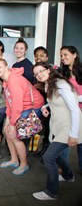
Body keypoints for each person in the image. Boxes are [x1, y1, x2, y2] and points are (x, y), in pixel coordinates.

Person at [32, 62, 82, 200]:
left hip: (70, 126)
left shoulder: (61, 84)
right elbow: (57, 101)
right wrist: (45, 106)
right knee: (55, 153)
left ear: (48, 70)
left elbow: (74, 109)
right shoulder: (49, 84)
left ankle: (51, 192)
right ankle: (68, 175)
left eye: (41, 71)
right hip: (59, 125)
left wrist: (73, 134)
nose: (39, 75)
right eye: (36, 74)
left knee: (48, 157)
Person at [0, 58, 44, 175]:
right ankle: (14, 160)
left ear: (7, 67)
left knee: (14, 134)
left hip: (33, 107)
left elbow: (17, 105)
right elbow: (9, 103)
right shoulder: (6, 80)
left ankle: (24, 164)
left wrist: (12, 124)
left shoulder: (14, 80)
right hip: (21, 106)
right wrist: (7, 121)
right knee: (6, 131)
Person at [59, 45, 82, 174]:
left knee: (81, 144)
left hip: (80, 111)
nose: (63, 58)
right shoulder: (62, 73)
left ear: (74, 55)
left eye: (65, 55)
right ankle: (64, 169)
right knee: (65, 141)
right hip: (68, 112)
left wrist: (75, 99)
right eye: (61, 55)